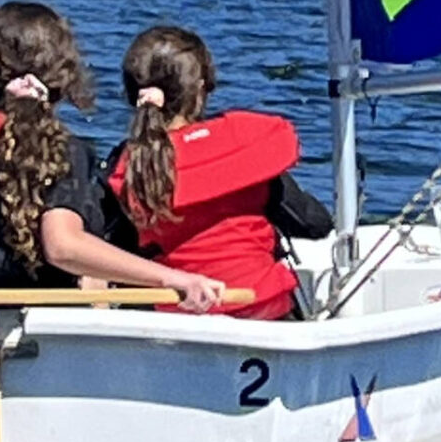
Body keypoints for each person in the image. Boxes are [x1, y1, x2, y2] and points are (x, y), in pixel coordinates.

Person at [0, 0, 227, 309]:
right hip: (21, 312)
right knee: (88, 262)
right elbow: (63, 247)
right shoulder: (63, 148)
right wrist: (174, 279)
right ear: (63, 80)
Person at [102, 24, 332, 320]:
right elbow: (314, 225)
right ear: (200, 91)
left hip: (175, 319)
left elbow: (111, 247)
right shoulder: (242, 149)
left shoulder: (129, 164)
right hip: (263, 311)